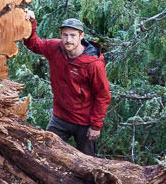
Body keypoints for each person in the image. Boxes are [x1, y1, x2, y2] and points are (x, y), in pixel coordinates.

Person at [23, 13, 111, 154]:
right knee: (45, 154)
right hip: (60, 118)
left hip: (84, 122)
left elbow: (103, 95)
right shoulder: (55, 48)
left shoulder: (93, 64)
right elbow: (33, 44)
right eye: (65, 35)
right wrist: (32, 22)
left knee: (87, 165)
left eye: (73, 35)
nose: (68, 40)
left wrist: (96, 126)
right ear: (61, 35)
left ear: (81, 36)